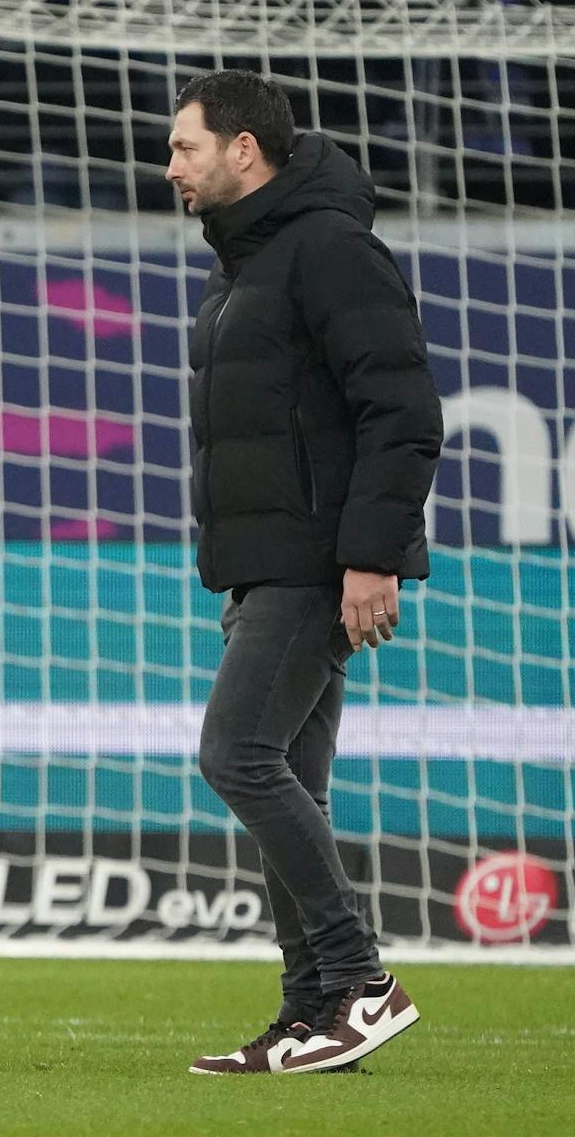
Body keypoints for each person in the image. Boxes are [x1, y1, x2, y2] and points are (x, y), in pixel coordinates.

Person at [168, 69, 442, 1075]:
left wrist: (370, 556)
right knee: (291, 780)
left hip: (315, 560)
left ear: (244, 151)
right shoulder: (247, 257)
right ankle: (309, 1009)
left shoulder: (326, 248)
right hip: (269, 563)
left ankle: (359, 979)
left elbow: (402, 413)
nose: (171, 168)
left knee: (235, 754)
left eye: (184, 147)